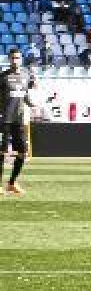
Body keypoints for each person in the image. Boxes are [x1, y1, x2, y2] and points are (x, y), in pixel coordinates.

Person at [0, 48, 36, 194]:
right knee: (2, 152)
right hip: (4, 120)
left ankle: (12, 183)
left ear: (21, 59)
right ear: (9, 59)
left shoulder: (26, 75)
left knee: (22, 152)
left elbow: (24, 95)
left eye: (18, 58)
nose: (15, 61)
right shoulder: (3, 76)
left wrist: (32, 104)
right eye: (13, 58)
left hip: (19, 120)